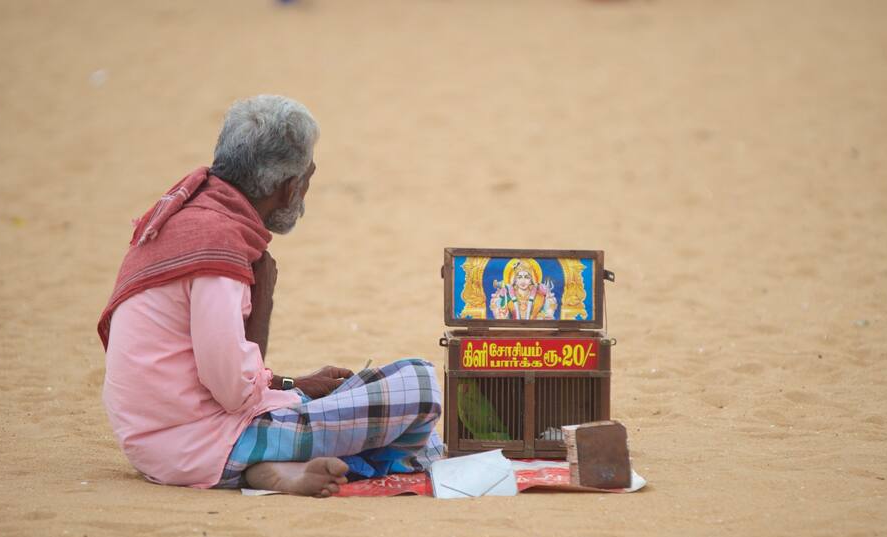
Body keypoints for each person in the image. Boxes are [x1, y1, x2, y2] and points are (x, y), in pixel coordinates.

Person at [98, 95, 443, 496]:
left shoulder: (194, 217)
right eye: (307, 178)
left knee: (378, 388)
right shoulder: (217, 246)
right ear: (288, 186)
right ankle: (265, 464)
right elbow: (232, 392)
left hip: (161, 435)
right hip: (195, 444)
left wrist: (293, 383)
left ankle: (269, 467)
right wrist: (264, 303)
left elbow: (211, 369)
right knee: (420, 387)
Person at [489, 259, 557, 320]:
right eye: (519, 277)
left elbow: (547, 317)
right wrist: (504, 315)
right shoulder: (507, 297)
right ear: (515, 280)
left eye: (527, 277)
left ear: (531, 280)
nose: (523, 281)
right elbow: (501, 319)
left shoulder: (540, 298)